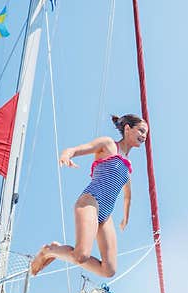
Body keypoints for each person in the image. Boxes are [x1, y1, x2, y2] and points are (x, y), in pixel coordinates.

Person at [30, 113, 148, 278]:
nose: (144, 136)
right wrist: (66, 155)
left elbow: (128, 195)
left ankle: (54, 251)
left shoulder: (127, 167)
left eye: (146, 134)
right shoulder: (108, 145)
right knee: (81, 256)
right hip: (91, 201)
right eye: (141, 131)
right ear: (128, 128)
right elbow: (76, 149)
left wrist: (125, 217)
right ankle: (48, 251)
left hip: (106, 215)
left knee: (109, 270)